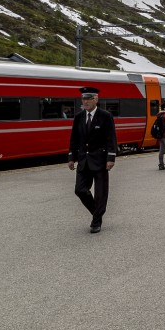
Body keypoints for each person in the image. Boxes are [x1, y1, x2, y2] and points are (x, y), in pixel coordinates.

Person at [68, 86, 117, 234]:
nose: (85, 101)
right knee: (80, 190)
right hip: (83, 160)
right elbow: (74, 139)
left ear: (96, 99)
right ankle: (98, 212)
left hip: (101, 160)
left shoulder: (105, 116)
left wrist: (111, 158)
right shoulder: (79, 117)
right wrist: (71, 157)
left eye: (88, 99)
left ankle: (96, 222)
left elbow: (111, 138)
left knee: (101, 193)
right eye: (83, 99)